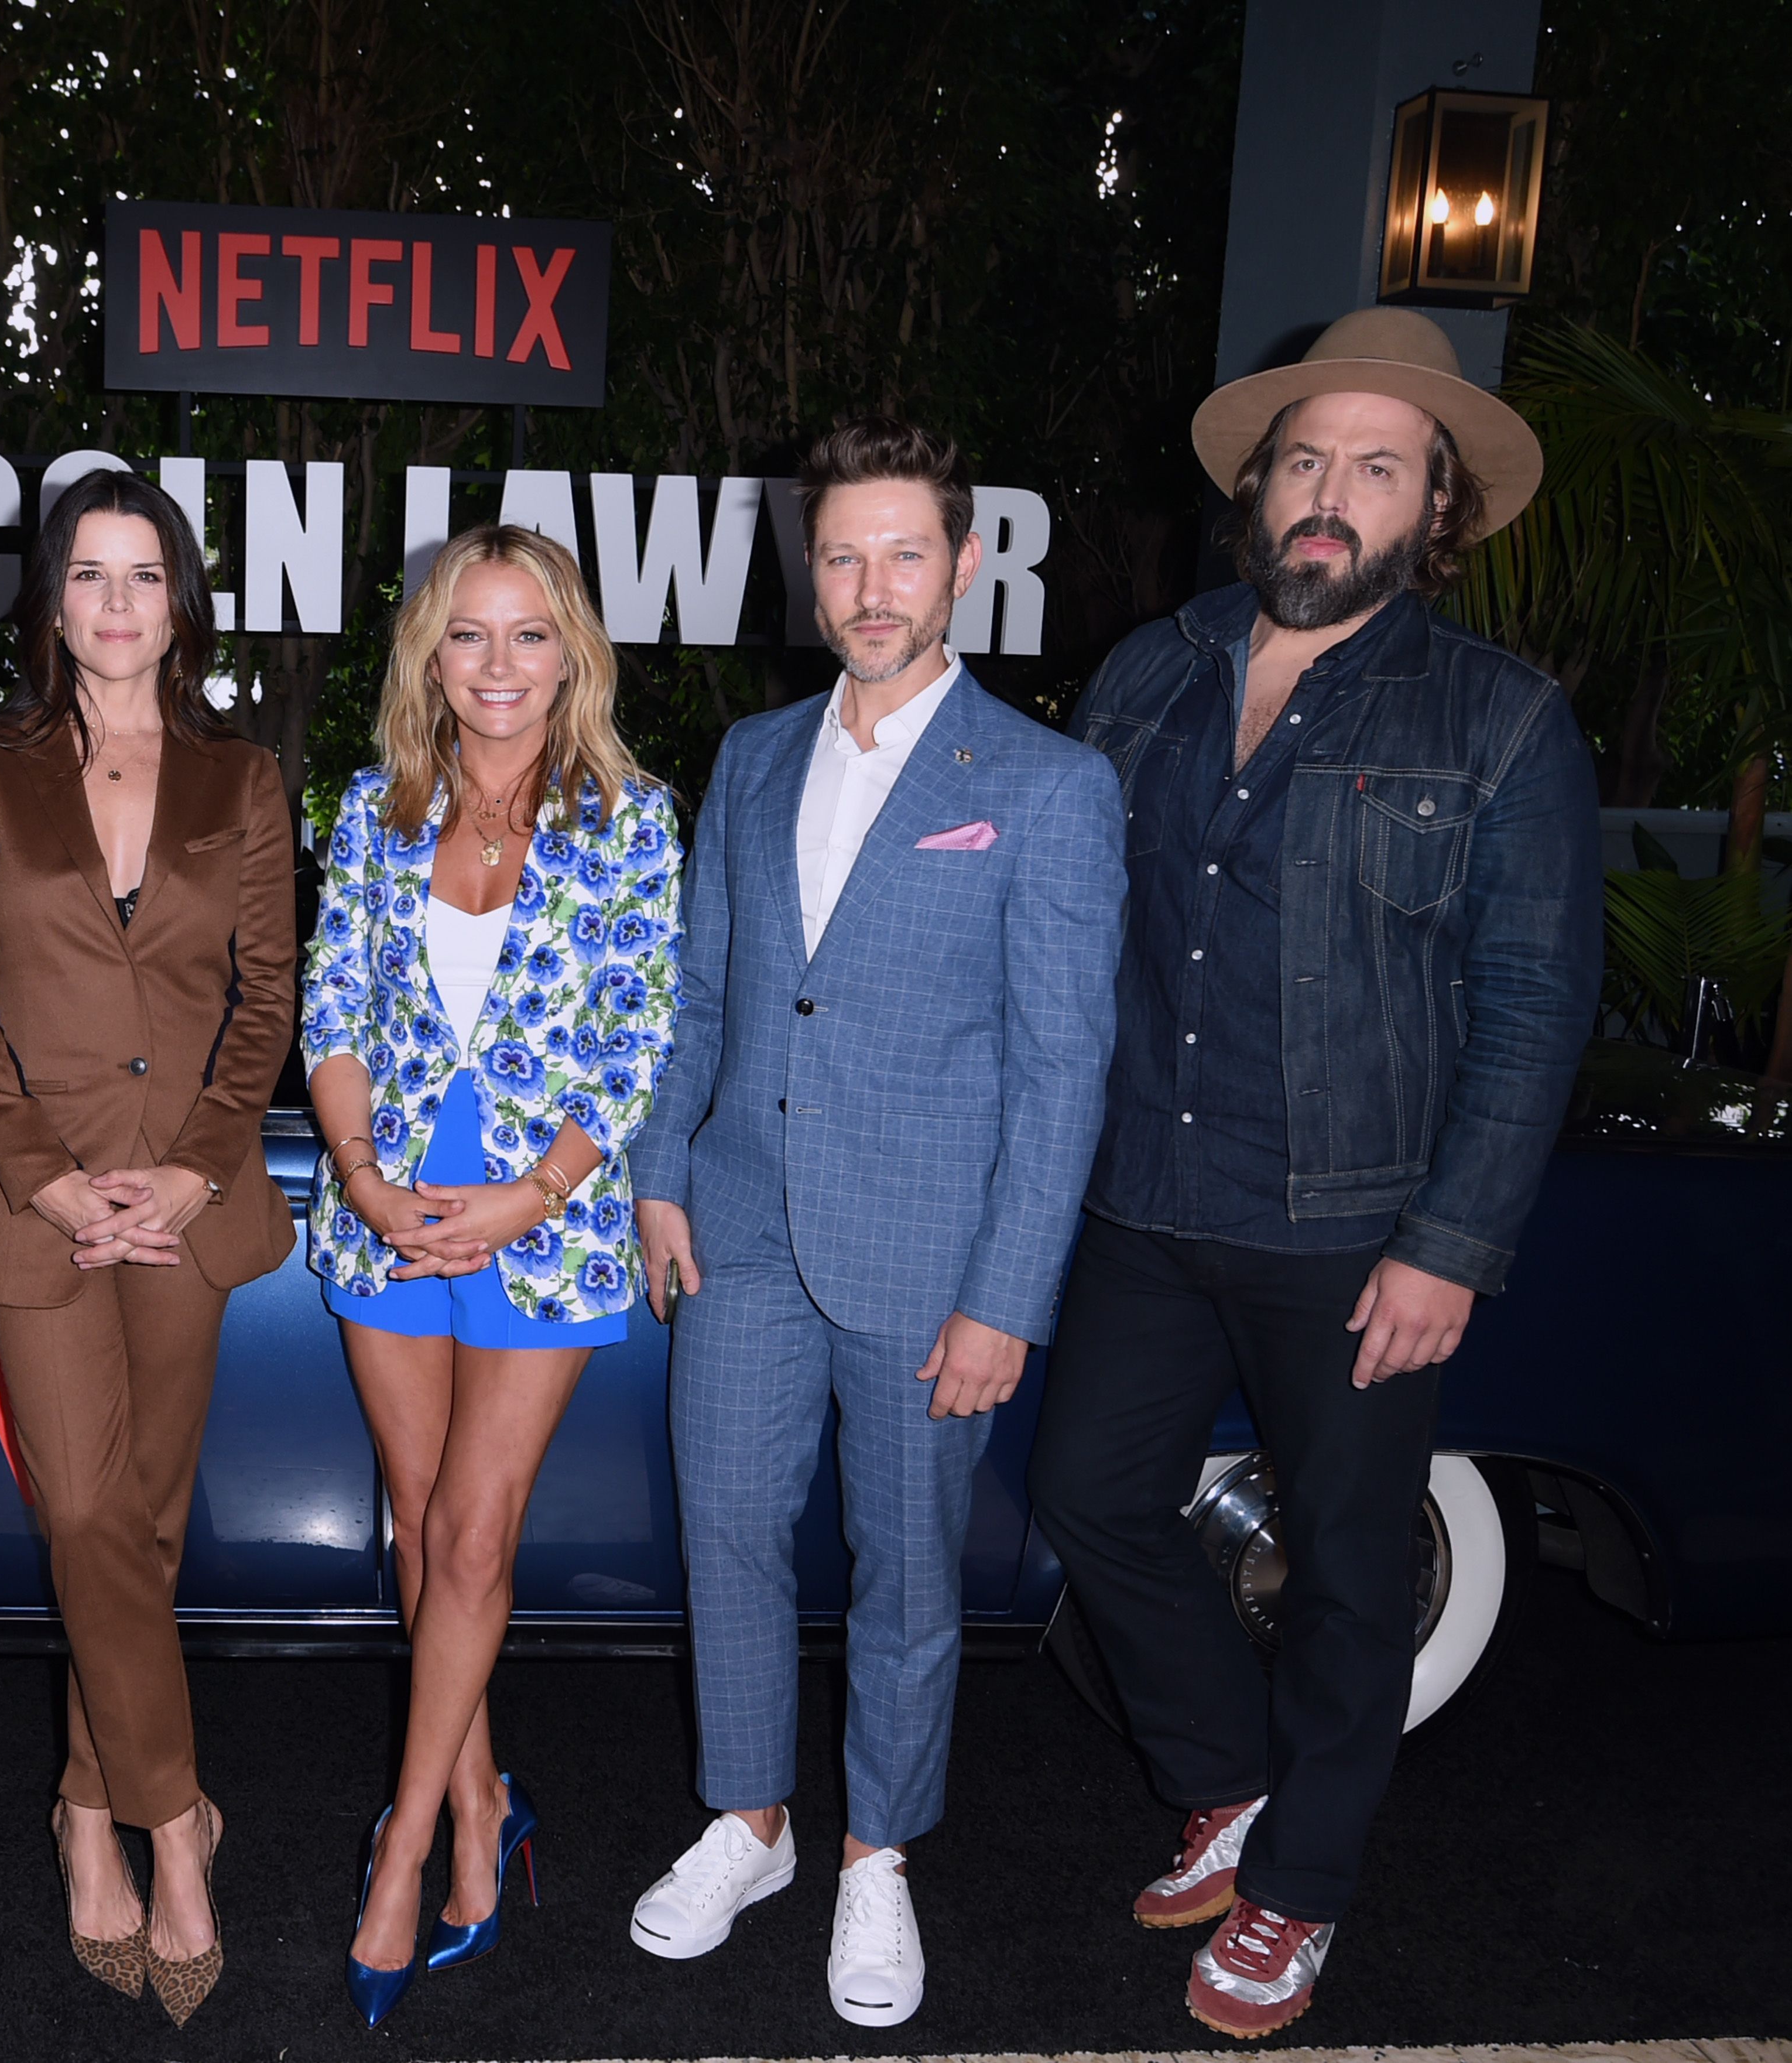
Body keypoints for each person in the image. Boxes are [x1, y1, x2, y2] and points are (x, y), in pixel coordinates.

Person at [1026, 308, 1601, 2040]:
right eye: (1305, 460)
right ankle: (1227, 1782)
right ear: (1258, 489)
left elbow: (1531, 1005)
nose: (1330, 495)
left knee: (1352, 1570)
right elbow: (1063, 928)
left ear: (1438, 510)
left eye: (1377, 466)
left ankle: (1298, 1891)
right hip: (1142, 1192)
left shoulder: (1503, 722)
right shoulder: (1148, 669)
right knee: (1088, 1497)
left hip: (1356, 1226)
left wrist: (1452, 1243)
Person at [626, 419, 1126, 2030]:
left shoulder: (1049, 786)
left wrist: (1009, 1294)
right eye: (841, 553)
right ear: (811, 570)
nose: (871, 584)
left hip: (930, 1253)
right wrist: (656, 1167)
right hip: (744, 1224)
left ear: (966, 565)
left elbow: (1064, 1068)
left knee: (907, 1573)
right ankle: (749, 1820)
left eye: (904, 551)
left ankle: (876, 1859)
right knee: (729, 1535)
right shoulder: (756, 755)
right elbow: (698, 996)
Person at [0, 467, 297, 2029]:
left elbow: (266, 994)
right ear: (50, 598)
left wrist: (201, 1170)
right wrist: (54, 1176)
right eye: (91, 575)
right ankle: (170, 1825)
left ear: (180, 601)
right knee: (81, 1506)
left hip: (187, 1206)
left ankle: (90, 1807)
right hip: (40, 1195)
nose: (120, 603)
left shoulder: (245, 778)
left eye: (147, 575)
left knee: (141, 1528)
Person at [301, 524, 683, 2026]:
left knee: (470, 1534)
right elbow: (331, 1000)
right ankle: (477, 1807)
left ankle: (403, 1847)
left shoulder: (632, 820)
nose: (501, 666)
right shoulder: (372, 808)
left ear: (572, 653)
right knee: (414, 1519)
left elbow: (637, 1037)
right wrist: (366, 1178)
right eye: (471, 635)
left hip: (548, 1227)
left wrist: (523, 1196)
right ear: (430, 654)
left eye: (531, 636)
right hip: (385, 1218)